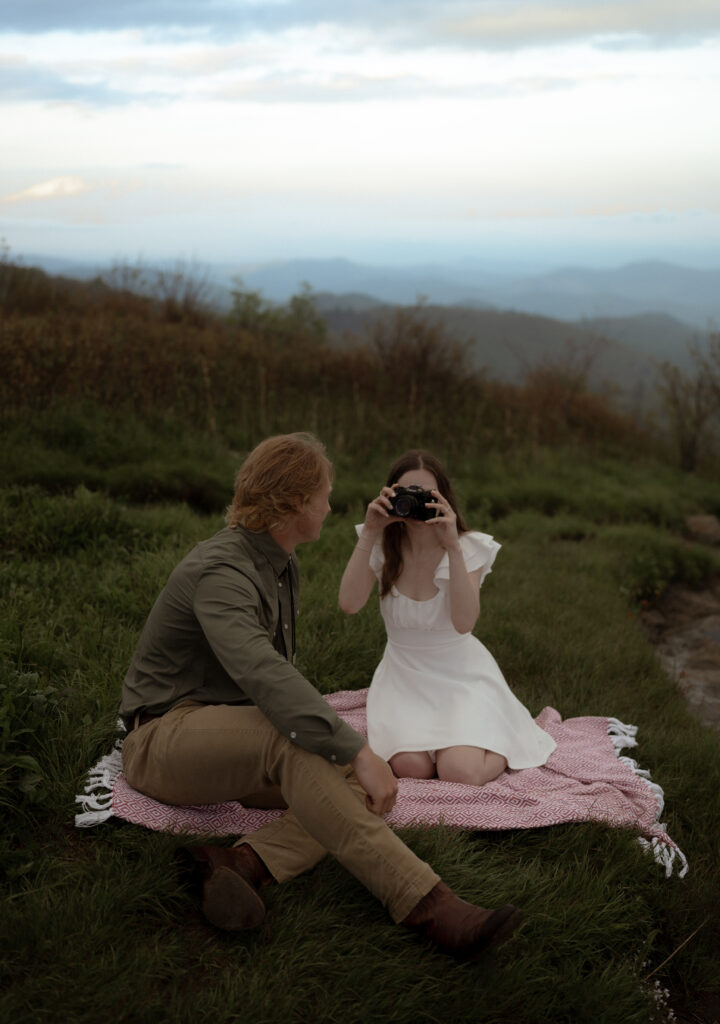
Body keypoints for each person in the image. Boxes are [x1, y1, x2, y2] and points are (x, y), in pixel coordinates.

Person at [119, 433, 523, 958]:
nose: (331, 505)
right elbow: (263, 673)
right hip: (163, 737)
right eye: (323, 495)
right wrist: (352, 747)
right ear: (293, 505)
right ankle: (428, 905)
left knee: (356, 778)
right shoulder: (223, 570)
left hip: (220, 733)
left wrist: (354, 756)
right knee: (314, 747)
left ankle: (243, 864)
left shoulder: (277, 562)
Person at [338, 449, 556, 785]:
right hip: (403, 676)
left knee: (460, 772)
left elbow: (464, 622)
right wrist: (369, 532)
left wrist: (452, 546)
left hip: (461, 677)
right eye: (406, 492)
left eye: (425, 494)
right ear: (390, 495)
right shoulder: (383, 545)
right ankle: (455, 741)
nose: (415, 502)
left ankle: (507, 735)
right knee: (413, 768)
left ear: (444, 498)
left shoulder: (468, 548)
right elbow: (349, 604)